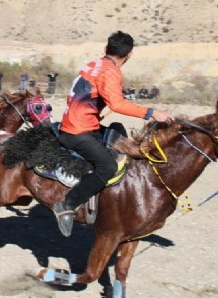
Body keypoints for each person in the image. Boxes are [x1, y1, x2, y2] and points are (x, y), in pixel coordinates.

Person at [51, 31, 174, 237]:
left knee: (118, 132)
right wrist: (153, 114)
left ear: (105, 48)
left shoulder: (94, 65)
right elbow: (117, 104)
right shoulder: (111, 71)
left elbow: (84, 96)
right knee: (107, 167)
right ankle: (67, 204)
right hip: (77, 131)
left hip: (78, 123)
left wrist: (95, 113)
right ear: (130, 54)